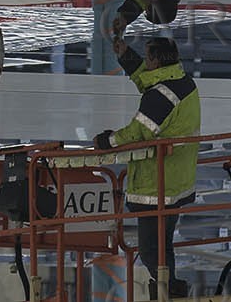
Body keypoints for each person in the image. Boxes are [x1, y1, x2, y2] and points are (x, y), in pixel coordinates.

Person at [95, 36, 200, 300]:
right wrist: (126, 56)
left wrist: (106, 141)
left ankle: (168, 292)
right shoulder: (182, 82)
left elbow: (137, 132)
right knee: (164, 246)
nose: (146, 61)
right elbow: (150, 83)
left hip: (156, 184)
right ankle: (169, 288)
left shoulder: (161, 95)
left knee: (151, 249)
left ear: (154, 60)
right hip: (176, 181)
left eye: (146, 57)